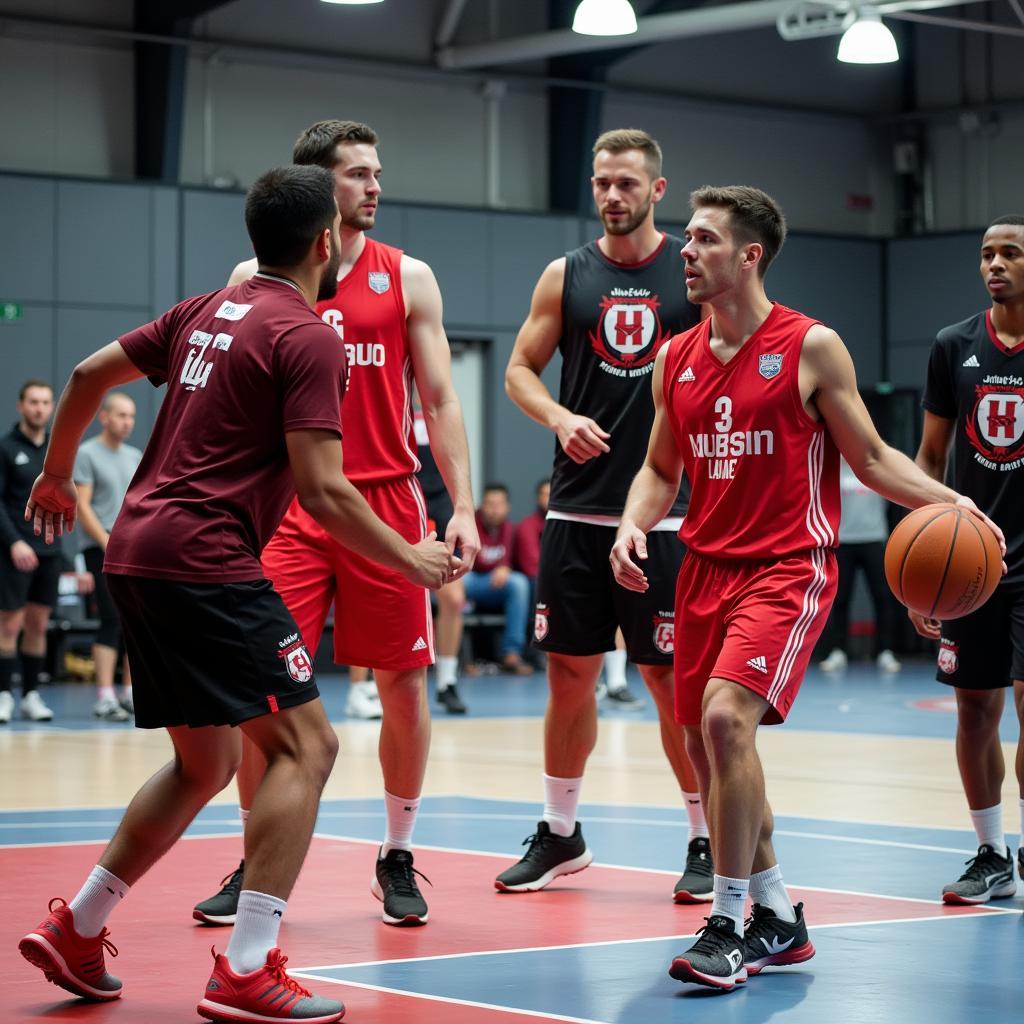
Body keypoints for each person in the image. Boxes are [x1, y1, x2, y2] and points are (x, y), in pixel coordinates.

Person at [18, 165, 452, 1022]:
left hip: (136, 551)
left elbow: (80, 376)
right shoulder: (309, 335)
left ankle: (80, 926)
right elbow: (325, 491)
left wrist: (58, 476)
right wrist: (408, 556)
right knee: (308, 747)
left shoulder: (200, 311)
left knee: (205, 762)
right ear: (325, 243)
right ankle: (249, 966)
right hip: (206, 559)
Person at [610, 184, 1003, 991]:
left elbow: (872, 459)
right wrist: (631, 522)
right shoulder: (673, 357)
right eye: (687, 240)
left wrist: (951, 499)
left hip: (787, 567)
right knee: (704, 745)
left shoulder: (810, 346)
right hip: (702, 569)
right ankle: (779, 914)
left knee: (725, 721)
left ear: (748, 255)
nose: (684, 252)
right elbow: (659, 467)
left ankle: (727, 925)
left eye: (703, 240)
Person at [194, 120, 479, 930]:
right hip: (288, 507)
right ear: (319, 186)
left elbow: (441, 397)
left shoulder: (409, 277)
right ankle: (256, 857)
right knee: (264, 693)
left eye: (377, 172)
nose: (375, 186)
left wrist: (459, 505)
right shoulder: (256, 275)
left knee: (404, 686)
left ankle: (396, 854)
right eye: (357, 175)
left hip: (388, 501)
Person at [501, 128, 712, 902]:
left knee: (666, 680)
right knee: (567, 677)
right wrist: (558, 417)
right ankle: (560, 834)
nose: (612, 196)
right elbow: (519, 369)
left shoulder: (693, 270)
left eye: (627, 184)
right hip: (579, 510)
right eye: (601, 183)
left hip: (667, 515)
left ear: (658, 191)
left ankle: (704, 836)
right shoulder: (568, 275)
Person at [913, 214, 1024, 906]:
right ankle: (990, 854)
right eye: (987, 254)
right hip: (973, 561)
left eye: (1010, 253)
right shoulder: (953, 345)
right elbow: (927, 460)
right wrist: (926, 571)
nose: (995, 264)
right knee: (974, 713)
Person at [73, 391, 142, 721]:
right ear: (104, 417)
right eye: (120, 415)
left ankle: (129, 692)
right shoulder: (87, 454)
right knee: (111, 619)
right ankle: (104, 696)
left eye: (130, 416)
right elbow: (82, 505)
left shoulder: (135, 456)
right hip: (100, 549)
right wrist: (105, 542)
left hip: (132, 549)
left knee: (135, 622)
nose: (126, 422)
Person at [0, 380, 59, 724]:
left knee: (38, 622)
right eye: (33, 402)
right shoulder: (6, 448)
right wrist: (14, 543)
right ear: (21, 406)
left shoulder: (56, 451)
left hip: (48, 551)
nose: (39, 408)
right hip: (14, 550)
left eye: (45, 402)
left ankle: (32, 696)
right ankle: (4, 693)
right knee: (10, 623)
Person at [818, 456, 902, 673]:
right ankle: (838, 651)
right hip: (843, 541)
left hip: (874, 539)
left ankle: (885, 651)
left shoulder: (874, 471)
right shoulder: (831, 471)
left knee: (882, 596)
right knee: (840, 598)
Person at [415, 401, 469, 714]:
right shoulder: (389, 406)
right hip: (400, 503)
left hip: (441, 508)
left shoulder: (445, 410)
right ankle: (363, 686)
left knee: (453, 598)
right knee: (381, 596)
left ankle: (447, 681)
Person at [464, 483, 533, 674]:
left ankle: (512, 653)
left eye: (499, 504)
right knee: (457, 585)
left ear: (507, 507)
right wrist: (500, 567)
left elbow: (518, 561)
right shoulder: (469, 524)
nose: (494, 510)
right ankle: (462, 658)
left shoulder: (511, 529)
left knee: (519, 584)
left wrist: (506, 567)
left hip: (496, 584)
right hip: (471, 578)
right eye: (489, 504)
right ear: (481, 505)